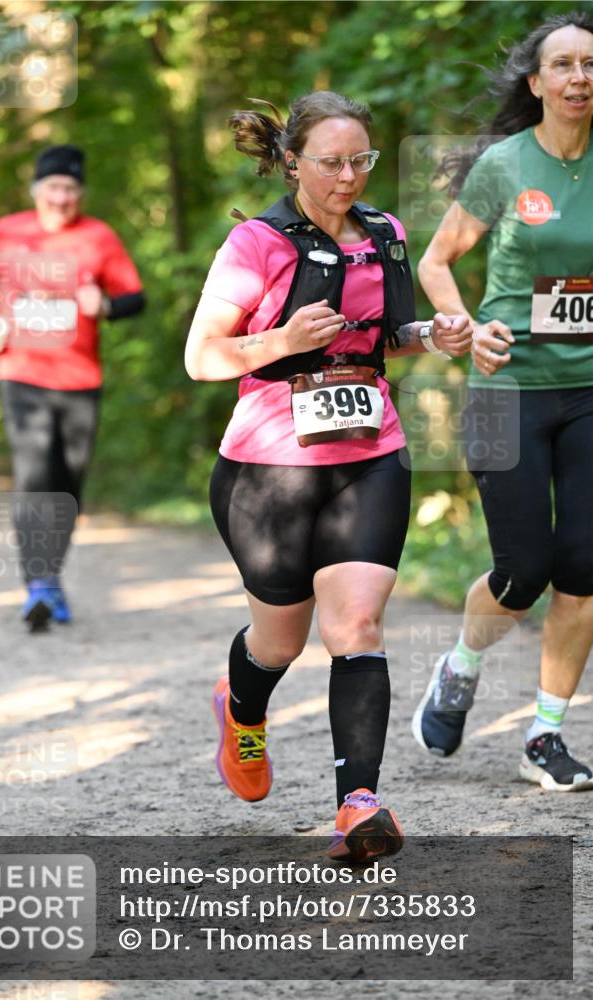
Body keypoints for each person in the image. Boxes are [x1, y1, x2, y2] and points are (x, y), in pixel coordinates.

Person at [185, 92, 472, 859]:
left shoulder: (385, 234)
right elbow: (203, 356)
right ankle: (242, 712)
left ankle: (358, 803)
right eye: (331, 162)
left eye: (361, 161)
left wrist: (431, 334)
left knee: (357, 627)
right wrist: (277, 340)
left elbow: (385, 338)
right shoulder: (256, 243)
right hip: (267, 470)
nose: (349, 176)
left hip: (368, 451)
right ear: (292, 162)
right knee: (279, 643)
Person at [412, 12, 593, 791]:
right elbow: (436, 261)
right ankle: (460, 664)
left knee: (583, 570)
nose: (579, 77)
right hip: (504, 387)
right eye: (563, 65)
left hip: (588, 389)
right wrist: (466, 324)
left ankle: (543, 738)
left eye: (590, 64)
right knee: (523, 571)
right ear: (536, 82)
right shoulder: (503, 166)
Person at [0, 145, 145, 630]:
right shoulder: (7, 231)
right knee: (33, 474)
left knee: (68, 484)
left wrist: (104, 306)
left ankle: (51, 575)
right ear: (36, 190)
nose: (62, 197)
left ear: (80, 193)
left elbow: (135, 298)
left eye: (70, 188)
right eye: (53, 187)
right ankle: (38, 585)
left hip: (81, 378)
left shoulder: (99, 237)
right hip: (21, 373)